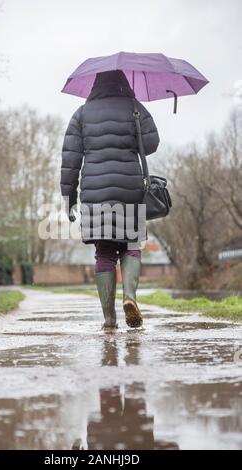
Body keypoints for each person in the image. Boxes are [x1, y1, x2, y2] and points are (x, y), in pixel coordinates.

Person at [61, 70, 159, 329]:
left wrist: (69, 196)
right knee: (132, 245)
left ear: (95, 85)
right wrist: (134, 128)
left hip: (95, 192)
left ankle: (109, 318)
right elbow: (151, 144)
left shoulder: (81, 114)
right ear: (124, 84)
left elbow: (70, 160)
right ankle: (130, 297)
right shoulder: (134, 108)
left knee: (104, 252)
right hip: (129, 187)